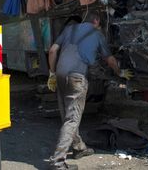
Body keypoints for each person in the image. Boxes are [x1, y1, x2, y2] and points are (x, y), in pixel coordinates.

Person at [47, 12, 132, 170]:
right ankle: (57, 161)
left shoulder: (69, 30)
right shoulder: (97, 34)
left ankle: (79, 147)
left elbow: (52, 51)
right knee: (72, 119)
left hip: (59, 75)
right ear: (96, 21)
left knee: (69, 116)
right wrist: (120, 73)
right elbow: (110, 59)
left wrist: (52, 73)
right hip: (77, 77)